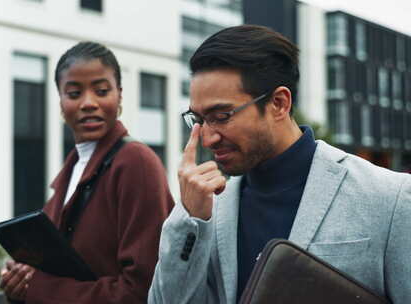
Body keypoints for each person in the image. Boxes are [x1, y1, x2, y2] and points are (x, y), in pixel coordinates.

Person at [148, 25, 411, 304]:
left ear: (278, 103)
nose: (208, 137)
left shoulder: (389, 198)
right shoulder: (208, 208)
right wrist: (190, 219)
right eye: (199, 119)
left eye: (222, 116)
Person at [0, 41, 174, 304]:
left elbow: (140, 292)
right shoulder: (70, 172)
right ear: (60, 101)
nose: (89, 103)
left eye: (102, 91)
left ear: (120, 95)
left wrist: (38, 288)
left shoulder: (136, 163)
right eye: (73, 93)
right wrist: (20, 279)